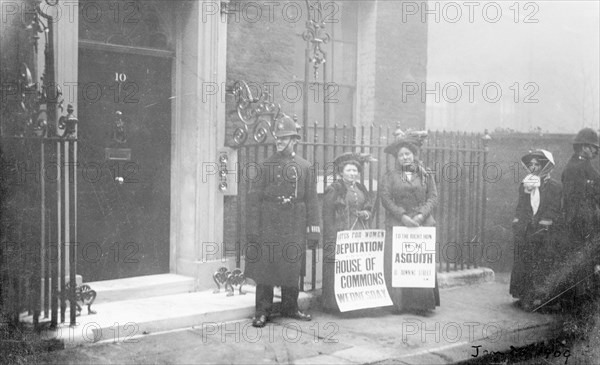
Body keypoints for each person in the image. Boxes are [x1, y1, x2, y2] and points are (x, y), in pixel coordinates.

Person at [244, 115, 321, 328]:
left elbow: (312, 201)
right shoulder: (265, 165)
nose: (279, 142)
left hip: (294, 223)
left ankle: (290, 307)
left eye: (284, 138)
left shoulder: (305, 167)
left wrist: (313, 231)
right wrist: (253, 229)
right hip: (269, 223)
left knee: (292, 267)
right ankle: (262, 311)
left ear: (294, 140)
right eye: (277, 138)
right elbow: (254, 201)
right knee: (266, 268)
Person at [379, 135, 440, 314]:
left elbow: (433, 197)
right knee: (399, 264)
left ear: (413, 155)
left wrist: (421, 216)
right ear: (397, 159)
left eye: (408, 154)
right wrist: (403, 216)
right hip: (398, 224)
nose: (405, 157)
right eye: (401, 155)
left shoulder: (425, 174)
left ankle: (421, 304)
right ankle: (399, 304)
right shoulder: (390, 176)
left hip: (421, 223)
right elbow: (386, 198)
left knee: (418, 264)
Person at [509, 149, 562, 311]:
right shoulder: (525, 185)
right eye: (531, 164)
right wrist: (519, 222)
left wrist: (543, 224)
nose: (533, 168)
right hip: (527, 229)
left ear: (545, 166)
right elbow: (522, 207)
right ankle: (524, 296)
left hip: (545, 232)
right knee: (525, 262)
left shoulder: (555, 187)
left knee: (542, 263)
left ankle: (541, 298)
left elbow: (553, 209)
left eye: (537, 164)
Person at [321, 152, 375, 311]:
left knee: (355, 268)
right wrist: (331, 239)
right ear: (341, 172)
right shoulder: (334, 189)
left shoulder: (361, 187)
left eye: (355, 171)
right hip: (340, 234)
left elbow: (368, 206)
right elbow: (327, 216)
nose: (352, 174)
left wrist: (366, 213)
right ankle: (335, 304)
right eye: (349, 170)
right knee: (341, 268)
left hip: (359, 231)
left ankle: (355, 302)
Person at [559, 128, 600, 311]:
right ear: (583, 147)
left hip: (588, 220)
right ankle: (576, 303)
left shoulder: (586, 166)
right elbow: (571, 200)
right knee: (580, 262)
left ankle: (582, 301)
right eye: (592, 147)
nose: (595, 151)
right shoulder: (574, 168)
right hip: (578, 223)